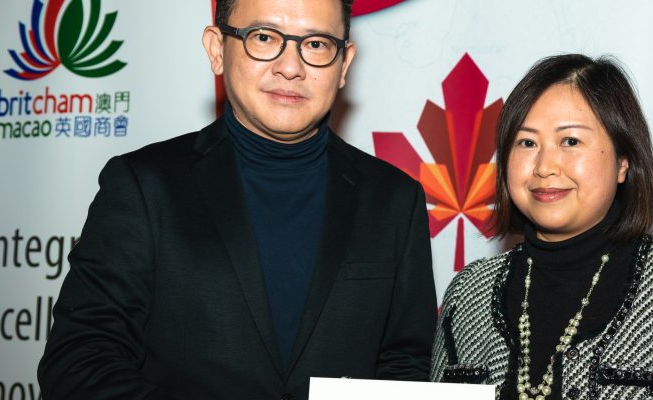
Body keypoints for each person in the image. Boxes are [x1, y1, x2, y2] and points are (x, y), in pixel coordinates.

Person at [37, 0, 437, 398]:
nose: (291, 67)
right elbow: (79, 362)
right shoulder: (144, 186)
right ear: (217, 49)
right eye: (263, 37)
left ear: (344, 64)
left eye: (316, 44)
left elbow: (406, 364)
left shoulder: (394, 200)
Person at [430, 54, 653, 399]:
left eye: (570, 141)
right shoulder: (469, 292)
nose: (544, 166)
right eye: (527, 143)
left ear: (623, 162)